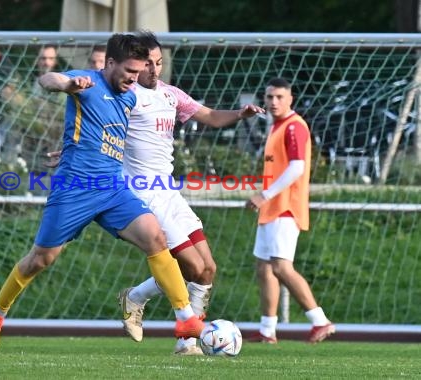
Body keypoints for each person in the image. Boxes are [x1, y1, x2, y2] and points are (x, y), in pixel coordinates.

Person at [0, 33, 205, 355]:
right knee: (41, 260)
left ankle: (185, 319)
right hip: (74, 190)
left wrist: (71, 146)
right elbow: (47, 79)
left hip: (112, 188)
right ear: (110, 63)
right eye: (129, 70)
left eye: (139, 71)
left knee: (155, 238)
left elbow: (116, 137)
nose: (134, 78)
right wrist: (65, 85)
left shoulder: (129, 97)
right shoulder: (87, 83)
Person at [117, 31, 265, 355]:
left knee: (207, 269)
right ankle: (148, 308)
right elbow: (99, 130)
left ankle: (183, 340)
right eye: (147, 64)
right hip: (143, 195)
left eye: (159, 62)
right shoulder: (127, 97)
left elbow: (210, 116)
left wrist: (239, 115)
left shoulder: (171, 95)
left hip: (169, 192)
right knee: (191, 267)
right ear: (134, 66)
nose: (154, 70)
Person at [246, 77, 335, 344]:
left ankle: (320, 321)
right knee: (264, 268)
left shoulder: (295, 126)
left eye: (279, 97)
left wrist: (265, 194)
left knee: (282, 267)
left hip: (285, 207)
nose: (273, 102)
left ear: (290, 99)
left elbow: (297, 167)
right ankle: (267, 330)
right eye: (269, 96)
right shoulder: (277, 126)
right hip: (272, 208)